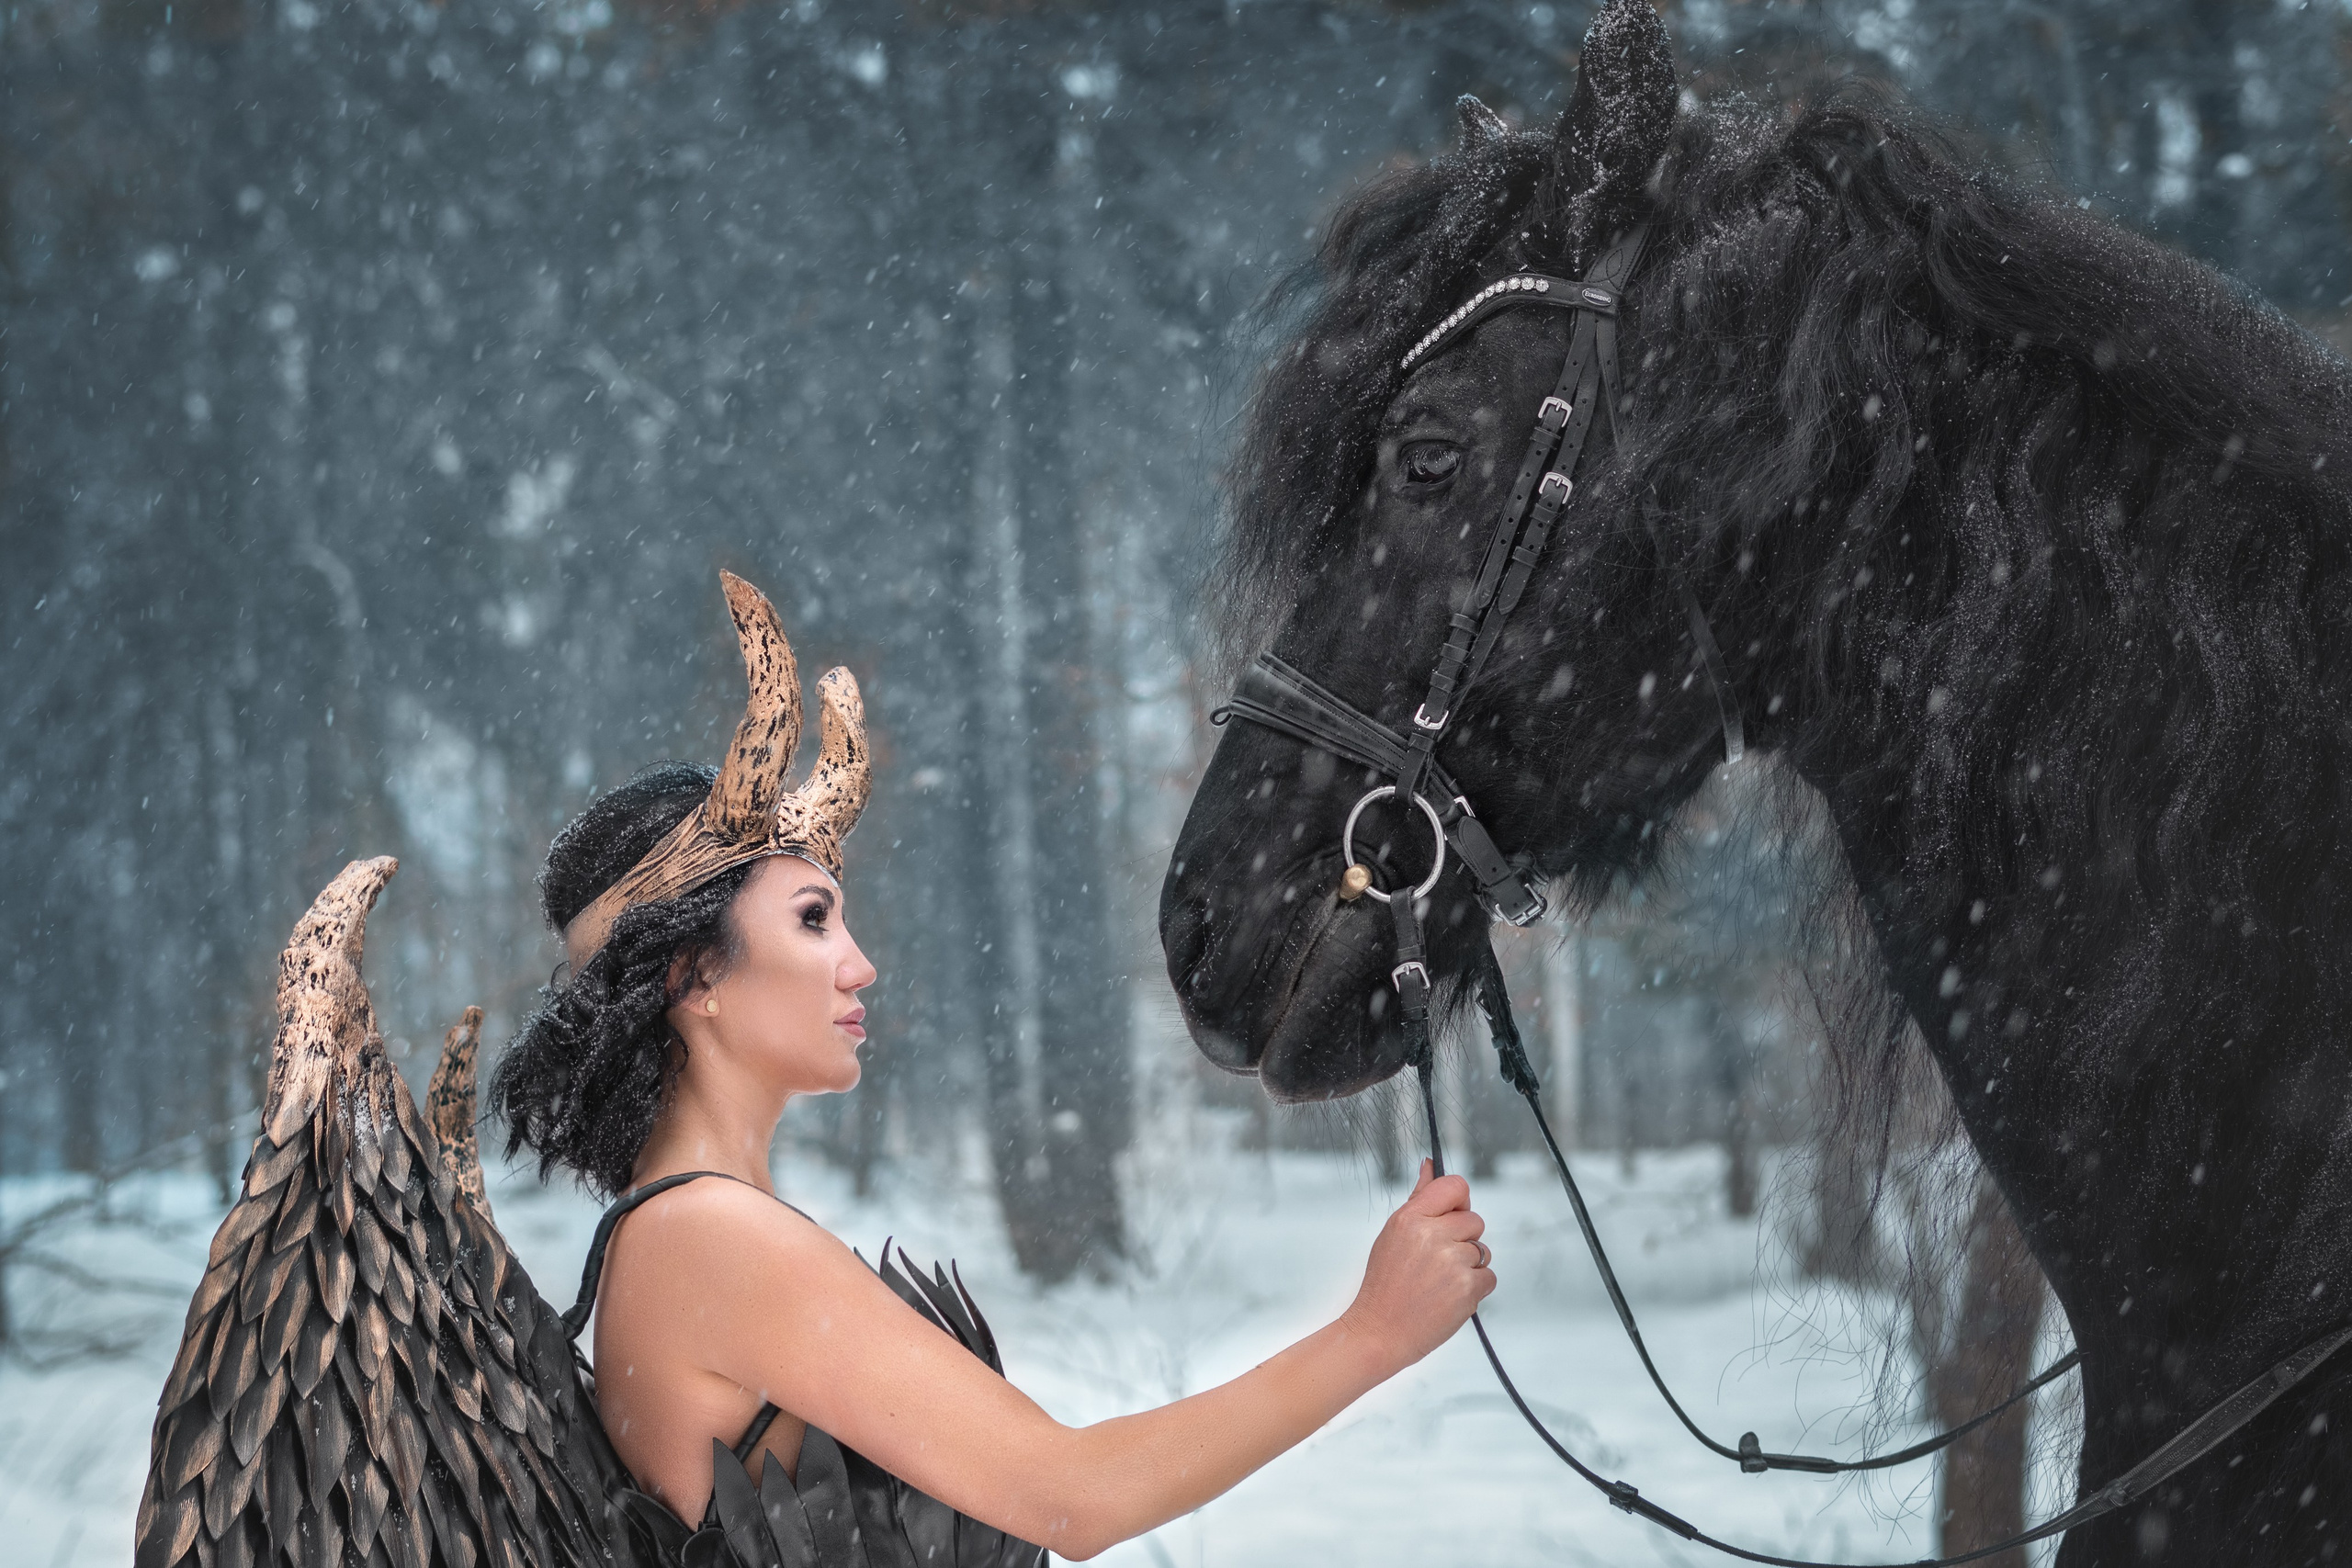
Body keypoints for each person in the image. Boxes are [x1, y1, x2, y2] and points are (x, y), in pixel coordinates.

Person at [488, 570, 1498, 1564]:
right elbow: (1075, 1498)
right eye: (813, 920)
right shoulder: (705, 1236)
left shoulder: (691, 1227)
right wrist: (1371, 1335)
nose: (860, 964)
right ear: (694, 975)